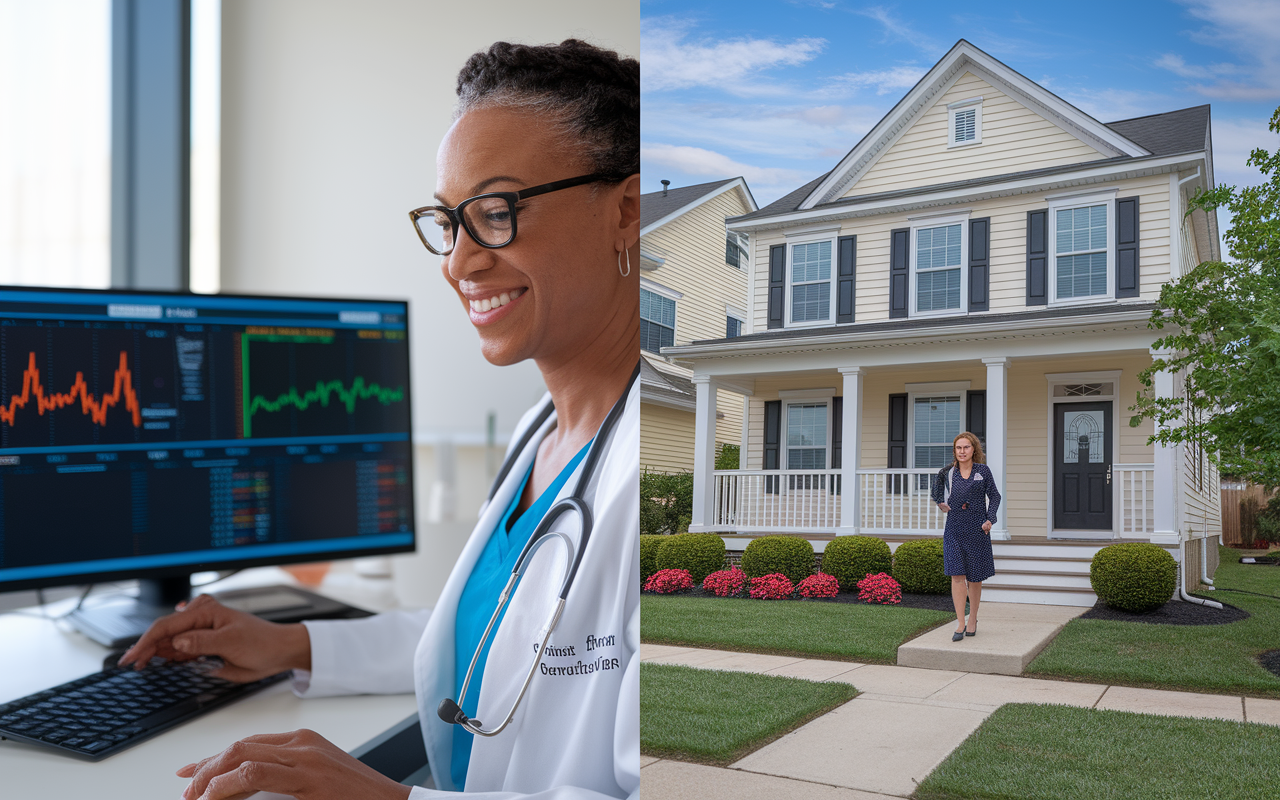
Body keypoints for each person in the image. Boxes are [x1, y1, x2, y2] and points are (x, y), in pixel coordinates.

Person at [119, 39, 641, 800]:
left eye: (495, 213)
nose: (458, 262)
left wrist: (385, 798)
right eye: (447, 221)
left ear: (625, 211)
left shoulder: (650, 476)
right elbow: (504, 634)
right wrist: (289, 643)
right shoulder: (544, 433)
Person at [930, 431, 1000, 642]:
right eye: (959, 448)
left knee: (974, 577)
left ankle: (973, 619)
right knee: (957, 576)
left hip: (978, 529)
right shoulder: (948, 472)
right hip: (954, 528)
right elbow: (935, 493)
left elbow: (995, 496)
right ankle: (960, 622)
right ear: (955, 451)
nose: (962, 451)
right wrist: (942, 504)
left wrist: (990, 519)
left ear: (973, 449)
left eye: (966, 447)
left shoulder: (983, 471)